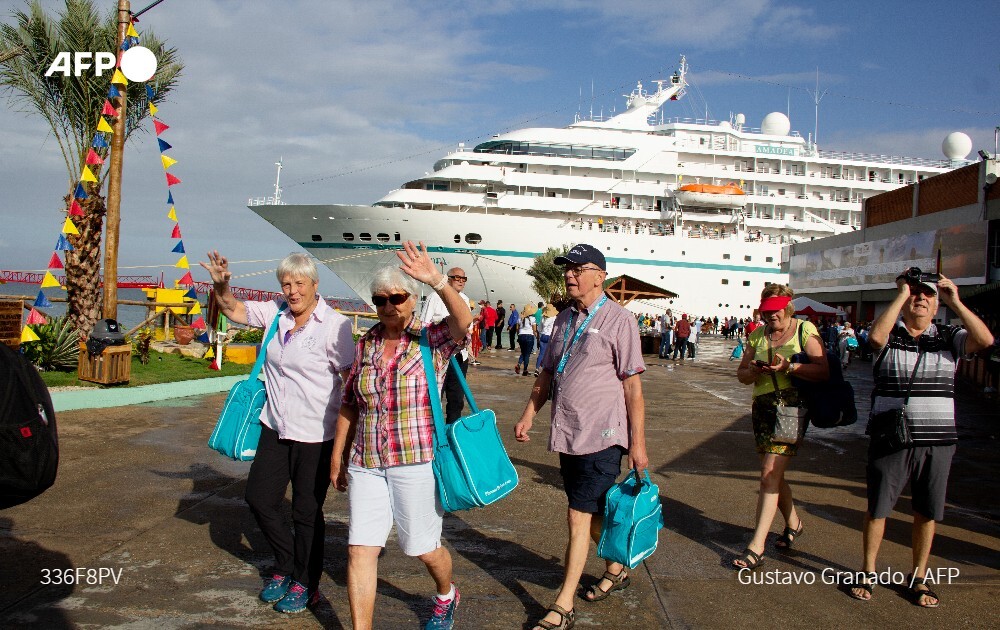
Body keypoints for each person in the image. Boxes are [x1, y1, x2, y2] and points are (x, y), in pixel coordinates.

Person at [199, 251, 355, 613]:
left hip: (316, 434)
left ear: (315, 285)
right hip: (275, 426)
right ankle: (285, 566)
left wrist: (345, 448)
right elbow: (232, 310)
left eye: (300, 283)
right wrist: (221, 283)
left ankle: (306, 581)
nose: (293, 290)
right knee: (259, 498)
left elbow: (350, 387)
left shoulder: (336, 326)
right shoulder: (275, 313)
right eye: (286, 283)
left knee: (305, 511)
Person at [330, 241, 472, 630]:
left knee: (423, 549)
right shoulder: (366, 345)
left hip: (415, 459)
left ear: (412, 300)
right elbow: (349, 403)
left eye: (397, 297)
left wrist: (438, 280)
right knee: (361, 549)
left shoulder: (431, 340)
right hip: (366, 462)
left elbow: (463, 321)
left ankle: (446, 593)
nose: (389, 305)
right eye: (380, 299)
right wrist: (337, 455)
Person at [514, 244, 648, 630]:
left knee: (577, 515)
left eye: (578, 268)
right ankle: (617, 569)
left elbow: (633, 389)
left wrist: (637, 444)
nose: (569, 275)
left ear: (599, 276)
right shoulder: (563, 320)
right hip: (568, 433)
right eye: (567, 269)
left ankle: (563, 605)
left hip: (605, 435)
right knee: (590, 513)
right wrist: (528, 415)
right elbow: (546, 373)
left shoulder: (620, 321)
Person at [849, 271, 992, 606]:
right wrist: (901, 294)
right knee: (879, 507)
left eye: (928, 294)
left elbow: (985, 341)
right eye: (915, 294)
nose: (921, 299)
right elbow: (875, 338)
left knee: (926, 511)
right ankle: (868, 572)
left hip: (938, 440)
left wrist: (955, 300)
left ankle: (919, 577)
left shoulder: (950, 336)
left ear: (937, 302)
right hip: (891, 437)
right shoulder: (890, 333)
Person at [733, 284, 829, 570]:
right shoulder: (758, 334)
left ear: (788, 307)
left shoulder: (805, 330)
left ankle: (756, 546)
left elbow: (823, 370)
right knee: (773, 475)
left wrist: (789, 367)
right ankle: (794, 523)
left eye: (775, 311)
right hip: (762, 407)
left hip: (792, 407)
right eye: (766, 311)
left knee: (768, 474)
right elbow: (741, 375)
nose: (770, 316)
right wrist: (752, 370)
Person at [422, 267, 471, 422]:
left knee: (456, 398)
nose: (461, 281)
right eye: (458, 278)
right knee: (435, 395)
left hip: (459, 355)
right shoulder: (434, 298)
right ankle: (434, 432)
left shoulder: (464, 299)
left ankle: (452, 431)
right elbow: (424, 324)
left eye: (464, 279)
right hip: (439, 355)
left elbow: (467, 325)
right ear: (447, 278)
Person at [535, 303, 558, 377]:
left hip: (543, 336)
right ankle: (545, 370)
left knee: (541, 353)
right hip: (550, 336)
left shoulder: (543, 318)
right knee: (549, 354)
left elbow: (539, 329)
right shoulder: (554, 317)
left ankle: (537, 368)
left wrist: (538, 338)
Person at [515, 303, 538, 376]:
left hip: (521, 335)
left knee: (523, 352)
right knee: (527, 354)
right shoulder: (532, 319)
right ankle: (525, 370)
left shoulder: (520, 318)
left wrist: (518, 335)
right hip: (529, 336)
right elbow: (534, 329)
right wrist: (537, 336)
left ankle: (518, 364)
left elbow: (517, 328)